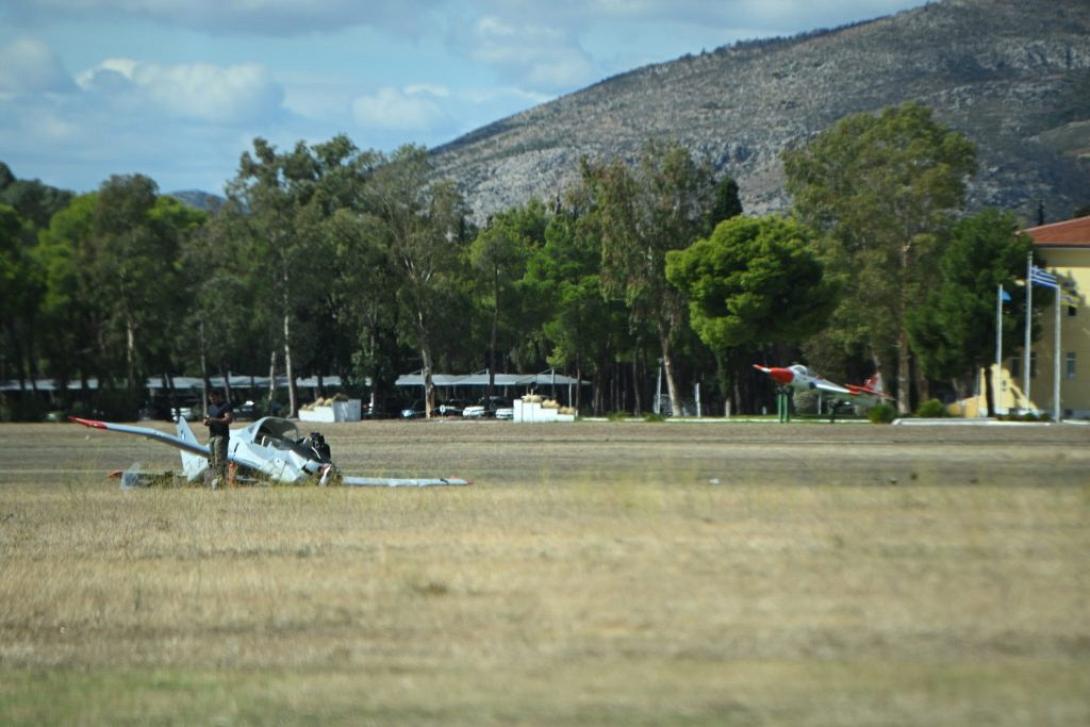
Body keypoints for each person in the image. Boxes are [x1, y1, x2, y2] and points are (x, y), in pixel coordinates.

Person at [203, 389, 233, 488]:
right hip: (212, 435)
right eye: (210, 398)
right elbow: (206, 419)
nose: (212, 400)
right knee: (212, 459)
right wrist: (206, 422)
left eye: (214, 398)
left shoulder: (225, 406)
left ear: (218, 396)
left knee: (220, 459)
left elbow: (228, 419)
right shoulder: (210, 408)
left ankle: (221, 481)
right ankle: (215, 479)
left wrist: (214, 420)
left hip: (222, 436)